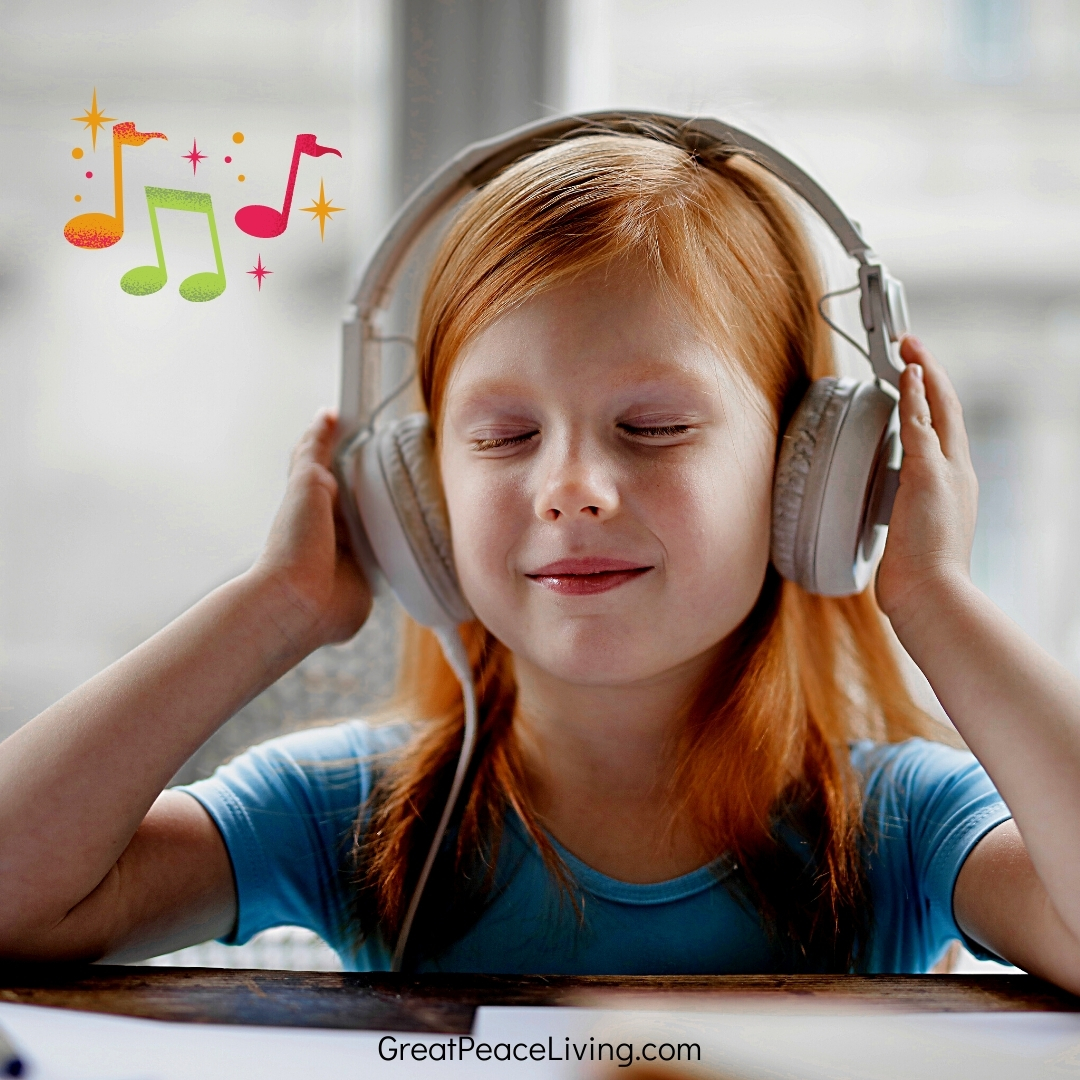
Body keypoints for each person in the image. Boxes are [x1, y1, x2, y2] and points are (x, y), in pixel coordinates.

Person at [2, 128, 1080, 984]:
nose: (573, 487)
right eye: (504, 437)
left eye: (651, 428)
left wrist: (935, 597)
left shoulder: (897, 823)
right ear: (416, 497)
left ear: (812, 477)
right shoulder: (359, 812)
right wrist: (274, 606)